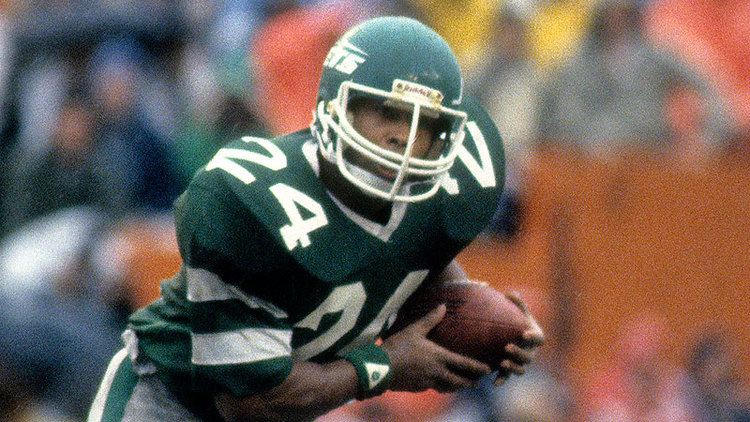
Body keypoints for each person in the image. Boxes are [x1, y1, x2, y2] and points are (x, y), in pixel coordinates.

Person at [88, 16, 544, 422]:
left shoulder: (447, 192)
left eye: (423, 123)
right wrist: (384, 366)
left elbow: (418, 259)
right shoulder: (249, 201)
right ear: (335, 105)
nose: (402, 137)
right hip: (175, 400)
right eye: (388, 111)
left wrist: (481, 324)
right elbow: (246, 402)